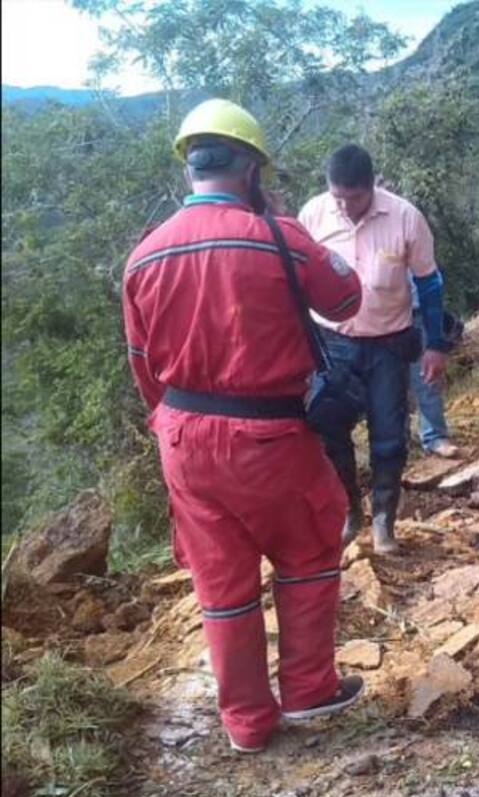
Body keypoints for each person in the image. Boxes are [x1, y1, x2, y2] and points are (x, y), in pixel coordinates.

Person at [122, 99, 366, 754]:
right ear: (252, 167)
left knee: (221, 585)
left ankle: (247, 724)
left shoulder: (143, 257)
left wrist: (174, 426)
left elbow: (144, 367)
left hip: (182, 437)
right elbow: (347, 300)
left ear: (191, 167)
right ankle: (309, 690)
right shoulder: (281, 237)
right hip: (270, 436)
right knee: (309, 550)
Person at [299, 146, 449, 553]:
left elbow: (430, 285)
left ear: (372, 187)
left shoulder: (404, 217)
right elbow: (296, 283)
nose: (345, 206)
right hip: (332, 346)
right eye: (338, 198)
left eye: (355, 198)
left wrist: (435, 344)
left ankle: (385, 521)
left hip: (388, 344)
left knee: (389, 437)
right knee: (330, 433)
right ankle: (350, 512)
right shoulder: (313, 215)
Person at [408, 273, 461, 459]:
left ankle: (434, 437)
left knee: (427, 378)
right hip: (368, 324)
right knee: (387, 388)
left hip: (413, 313)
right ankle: (397, 442)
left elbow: (430, 278)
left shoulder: (408, 242)